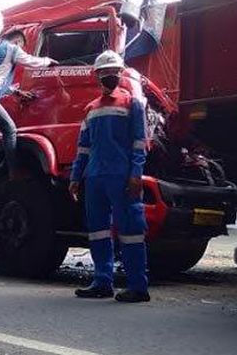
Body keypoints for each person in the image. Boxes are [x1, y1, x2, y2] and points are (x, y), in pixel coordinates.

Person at [69, 50, 150, 303]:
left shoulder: (132, 103)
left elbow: (140, 142)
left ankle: (138, 286)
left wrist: (136, 174)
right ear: (96, 76)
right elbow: (83, 148)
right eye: (104, 73)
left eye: (113, 72)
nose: (109, 76)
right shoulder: (90, 109)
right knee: (98, 232)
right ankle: (102, 281)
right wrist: (75, 177)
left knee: (131, 230)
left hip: (122, 177)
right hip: (94, 178)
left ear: (120, 73)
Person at [0, 31, 57, 180]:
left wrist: (17, 92)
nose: (21, 49)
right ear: (17, 41)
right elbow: (30, 61)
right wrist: (48, 61)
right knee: (10, 129)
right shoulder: (11, 48)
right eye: (21, 46)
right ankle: (13, 171)